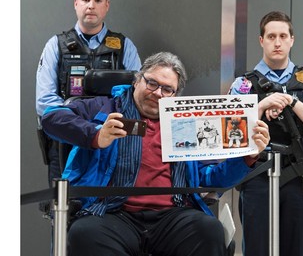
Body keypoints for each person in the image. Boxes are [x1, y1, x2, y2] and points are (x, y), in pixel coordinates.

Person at [41, 51, 270, 256]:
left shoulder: (189, 122)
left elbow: (211, 178)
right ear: (137, 80)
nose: (157, 93)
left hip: (173, 215)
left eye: (167, 89)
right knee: (84, 234)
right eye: (151, 83)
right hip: (112, 211)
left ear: (174, 95)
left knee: (209, 231)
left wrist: (247, 158)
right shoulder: (105, 108)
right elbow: (52, 118)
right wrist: (96, 134)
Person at [228, 11, 303, 256]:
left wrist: (290, 102)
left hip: (298, 175)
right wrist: (263, 105)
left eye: (283, 36)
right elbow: (231, 124)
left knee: (294, 248)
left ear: (292, 40)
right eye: (271, 36)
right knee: (257, 248)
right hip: (257, 175)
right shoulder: (243, 83)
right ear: (261, 40)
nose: (277, 42)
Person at [35, 0, 142, 186]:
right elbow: (45, 102)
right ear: (76, 3)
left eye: (98, 0)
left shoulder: (124, 46)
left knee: (109, 207)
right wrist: (82, 129)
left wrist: (104, 129)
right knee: (64, 208)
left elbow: (137, 96)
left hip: (113, 142)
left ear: (107, 5)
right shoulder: (56, 45)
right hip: (66, 140)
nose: (91, 5)